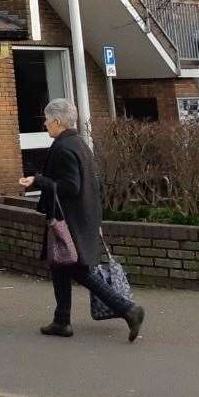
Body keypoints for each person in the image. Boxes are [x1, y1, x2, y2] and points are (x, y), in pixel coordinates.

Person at [19, 98, 145, 342]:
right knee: (59, 266)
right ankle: (61, 320)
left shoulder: (64, 147)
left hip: (70, 220)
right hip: (81, 217)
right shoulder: (78, 143)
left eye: (47, 120)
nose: (45, 124)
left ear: (57, 121)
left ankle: (128, 309)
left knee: (76, 269)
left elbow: (71, 186)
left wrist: (38, 181)